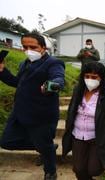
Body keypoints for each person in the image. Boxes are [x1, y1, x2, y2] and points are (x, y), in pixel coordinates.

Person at [0, 33, 65, 180]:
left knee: (44, 147)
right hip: (20, 112)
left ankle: (50, 173)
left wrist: (50, 86)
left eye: (33, 47)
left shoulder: (54, 63)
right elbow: (18, 82)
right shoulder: (25, 63)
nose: (29, 50)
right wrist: (2, 71)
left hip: (41, 115)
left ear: (43, 47)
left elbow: (58, 79)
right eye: (25, 47)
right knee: (6, 142)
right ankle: (47, 147)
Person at [62, 61, 105, 180]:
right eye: (87, 76)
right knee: (79, 169)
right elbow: (71, 111)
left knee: (94, 169)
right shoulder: (78, 91)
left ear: (101, 78)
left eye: (94, 77)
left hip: (97, 137)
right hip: (78, 136)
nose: (90, 80)